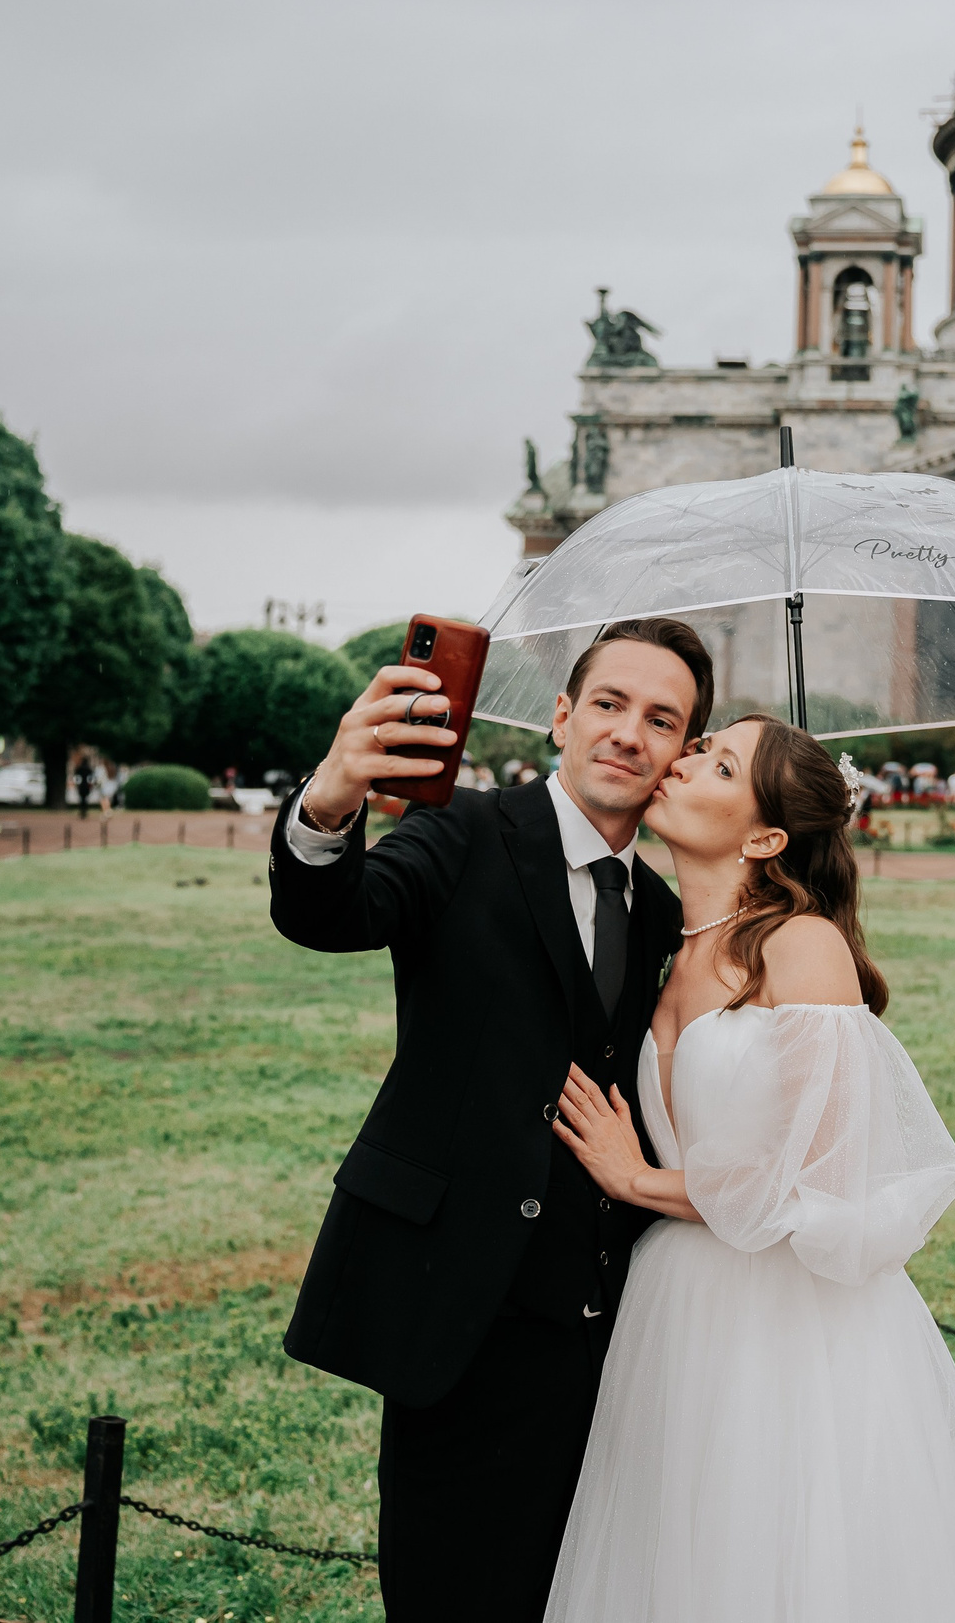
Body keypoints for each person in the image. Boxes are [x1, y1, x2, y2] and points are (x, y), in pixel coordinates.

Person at [541, 714, 955, 1623]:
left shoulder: (800, 947)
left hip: (792, 1316)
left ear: (767, 836)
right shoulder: (665, 947)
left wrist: (636, 1178)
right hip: (677, 1304)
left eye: (718, 761)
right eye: (698, 747)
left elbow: (829, 1171)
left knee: (791, 1556)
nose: (683, 760)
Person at [269, 617, 715, 1622]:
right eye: (607, 704)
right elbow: (333, 914)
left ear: (680, 752)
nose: (626, 734)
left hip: (606, 1329)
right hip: (454, 1311)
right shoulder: (463, 831)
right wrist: (334, 795)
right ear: (562, 715)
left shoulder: (659, 910)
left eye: (660, 719)